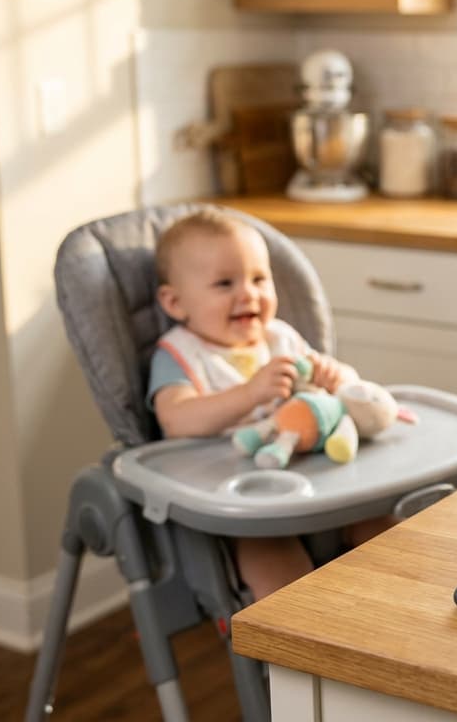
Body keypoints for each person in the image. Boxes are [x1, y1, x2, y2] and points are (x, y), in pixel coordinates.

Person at [148, 208, 385, 599]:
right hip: (243, 503)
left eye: (259, 278)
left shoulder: (280, 339)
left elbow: (342, 394)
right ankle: (302, 633)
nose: (249, 294)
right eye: (224, 283)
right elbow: (175, 418)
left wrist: (337, 377)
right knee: (276, 566)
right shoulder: (180, 354)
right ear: (175, 302)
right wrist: (249, 393)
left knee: (386, 529)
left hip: (320, 481)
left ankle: (389, 613)